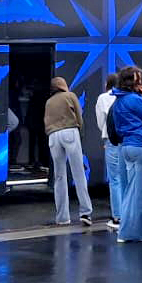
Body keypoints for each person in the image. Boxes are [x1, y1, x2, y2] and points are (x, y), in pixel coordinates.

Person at [110, 67, 142, 243]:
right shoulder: (134, 100)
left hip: (127, 147)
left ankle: (126, 231)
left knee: (131, 192)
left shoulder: (118, 101)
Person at [44, 76, 93, 227]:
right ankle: (85, 212)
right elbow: (79, 117)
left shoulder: (48, 102)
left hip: (53, 136)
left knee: (59, 177)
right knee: (78, 173)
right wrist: (81, 135)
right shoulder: (70, 96)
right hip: (69, 132)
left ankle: (62, 217)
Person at [95, 73, 127, 230]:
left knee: (115, 179)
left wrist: (106, 135)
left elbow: (101, 121)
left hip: (111, 141)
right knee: (128, 178)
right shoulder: (128, 97)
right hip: (128, 141)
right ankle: (128, 214)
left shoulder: (103, 98)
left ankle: (117, 217)